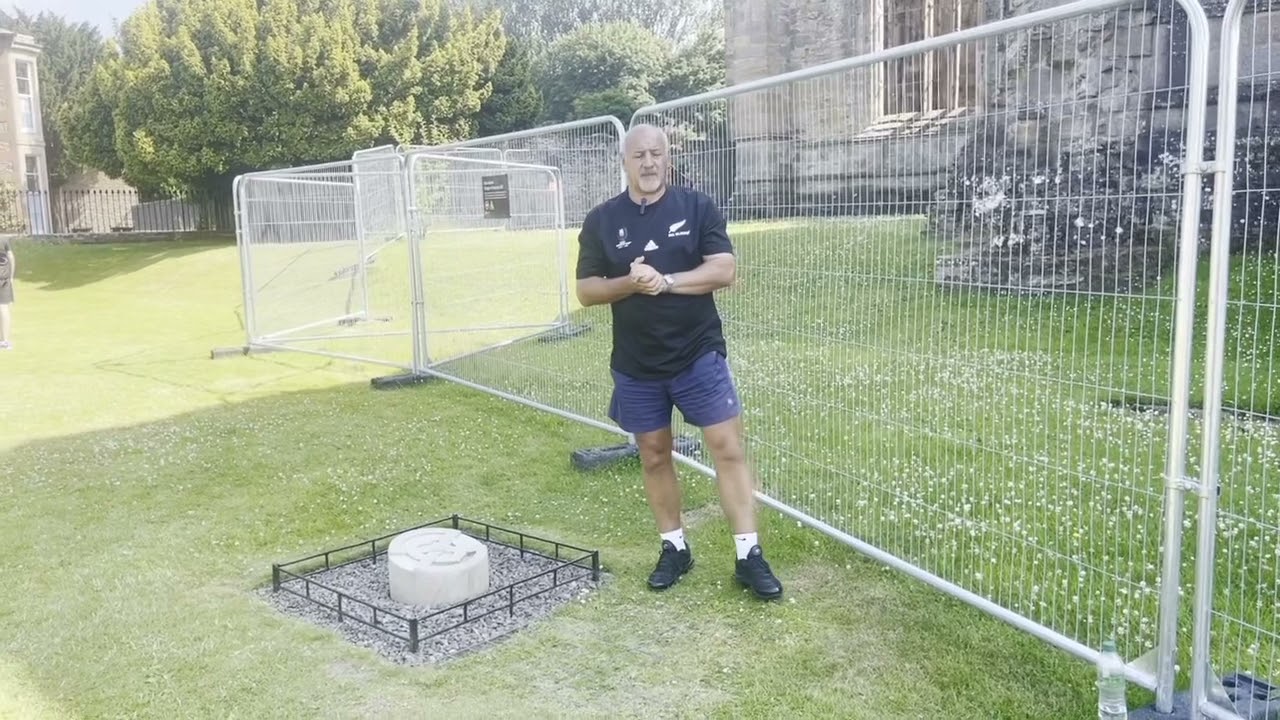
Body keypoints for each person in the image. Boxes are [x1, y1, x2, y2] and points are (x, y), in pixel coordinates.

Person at [574, 123, 783, 600]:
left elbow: (724, 269)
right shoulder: (602, 219)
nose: (649, 163)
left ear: (667, 158)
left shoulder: (696, 206)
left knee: (727, 447)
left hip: (697, 353)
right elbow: (586, 290)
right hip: (637, 362)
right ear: (624, 162)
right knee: (653, 454)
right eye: (639, 155)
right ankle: (675, 548)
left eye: (656, 154)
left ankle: (748, 555)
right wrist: (630, 283)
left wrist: (665, 281)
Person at [0, 236, 12, 350]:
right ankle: (4, 340)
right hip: (3, 278)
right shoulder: (3, 240)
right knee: (4, 307)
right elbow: (11, 257)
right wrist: (11, 276)